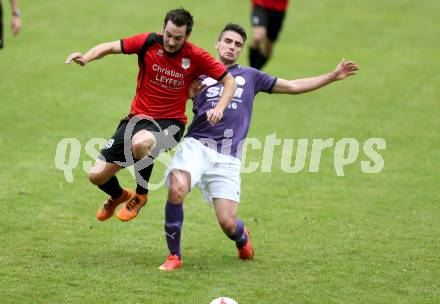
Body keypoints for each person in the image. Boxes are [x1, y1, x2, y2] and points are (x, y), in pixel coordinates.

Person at [158, 23, 359, 271]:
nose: (232, 47)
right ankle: (174, 256)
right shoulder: (198, 73)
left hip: (228, 156)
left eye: (238, 44)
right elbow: (167, 93)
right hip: (196, 144)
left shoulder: (251, 76)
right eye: (228, 42)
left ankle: (242, 238)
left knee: (228, 223)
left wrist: (332, 76)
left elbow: (293, 86)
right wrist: (187, 93)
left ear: (241, 50)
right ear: (217, 44)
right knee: (177, 189)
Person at [65, 8, 237, 222]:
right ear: (162, 29)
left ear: (187, 36)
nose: (172, 42)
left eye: (178, 38)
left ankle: (140, 195)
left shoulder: (195, 55)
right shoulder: (147, 42)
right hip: (135, 120)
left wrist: (219, 107)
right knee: (96, 176)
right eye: (168, 35)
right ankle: (119, 195)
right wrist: (86, 57)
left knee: (140, 143)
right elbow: (110, 46)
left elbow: (229, 81)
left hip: (171, 124)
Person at [249, 0, 288, 69]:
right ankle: (251, 71)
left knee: (268, 47)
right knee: (257, 37)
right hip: (261, 4)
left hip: (279, 9)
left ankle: (256, 71)